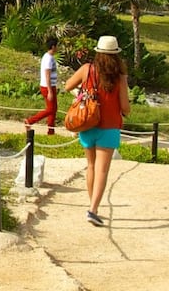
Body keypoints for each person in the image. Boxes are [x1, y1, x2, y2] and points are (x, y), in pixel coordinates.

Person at [61, 36, 131, 227]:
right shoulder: (120, 77)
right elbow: (125, 107)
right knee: (102, 170)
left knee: (91, 166)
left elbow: (67, 86)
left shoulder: (87, 70)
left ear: (98, 52)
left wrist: (82, 94)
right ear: (116, 54)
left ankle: (93, 206)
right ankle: (93, 209)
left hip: (88, 123)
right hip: (109, 126)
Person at [24, 37, 61, 135]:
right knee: (50, 109)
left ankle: (51, 131)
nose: (58, 48)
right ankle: (30, 121)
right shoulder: (48, 58)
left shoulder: (48, 56)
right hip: (47, 86)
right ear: (53, 47)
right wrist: (49, 90)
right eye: (57, 45)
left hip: (50, 86)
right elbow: (47, 74)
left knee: (53, 109)